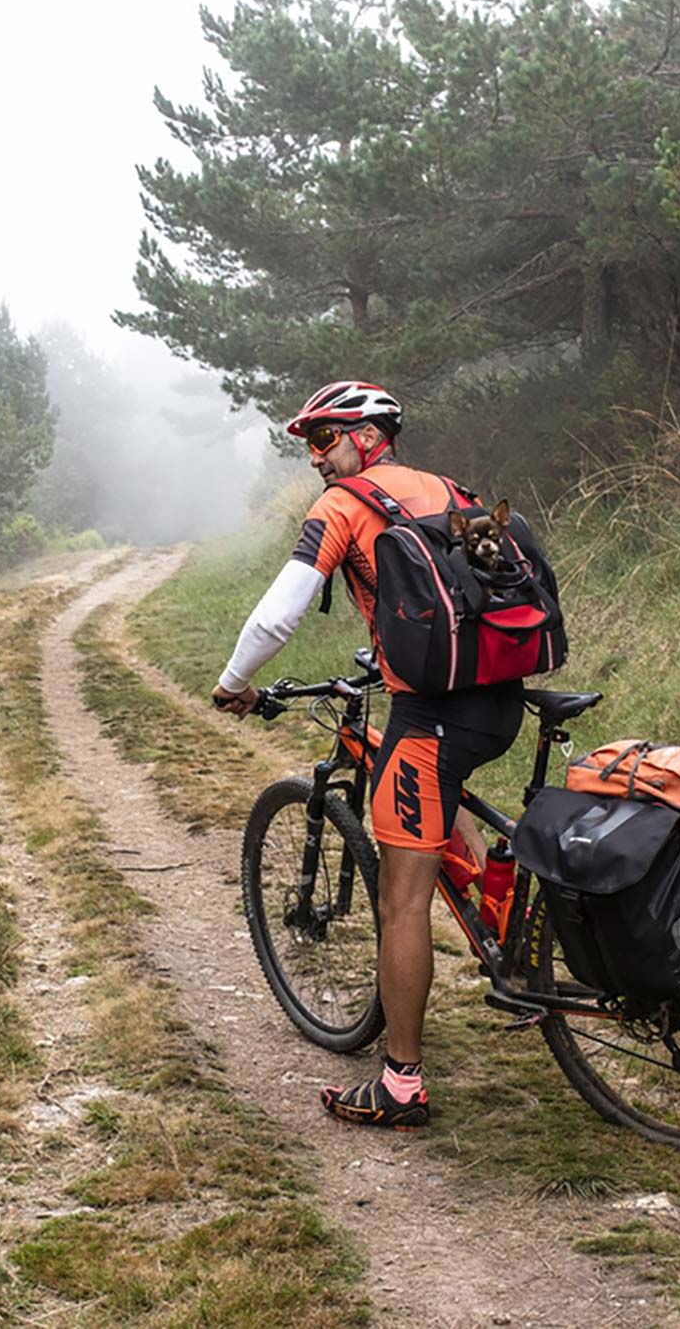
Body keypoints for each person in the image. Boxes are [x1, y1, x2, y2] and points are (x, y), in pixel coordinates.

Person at [211, 380, 526, 1130]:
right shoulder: (450, 488)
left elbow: (279, 612)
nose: (315, 457)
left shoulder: (345, 505)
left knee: (400, 897)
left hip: (433, 712)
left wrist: (232, 683)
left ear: (366, 436)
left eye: (324, 439)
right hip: (503, 696)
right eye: (307, 445)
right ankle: (509, 943)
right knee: (440, 804)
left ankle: (401, 1084)